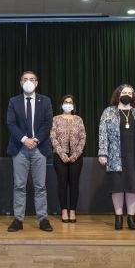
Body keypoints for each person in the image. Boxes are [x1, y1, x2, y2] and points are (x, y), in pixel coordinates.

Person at [98, 84, 135, 231]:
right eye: (124, 92)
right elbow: (102, 134)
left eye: (130, 93)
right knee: (117, 187)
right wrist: (102, 153)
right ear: (118, 94)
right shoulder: (109, 112)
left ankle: (131, 217)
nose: (127, 95)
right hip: (115, 156)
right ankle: (118, 217)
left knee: (132, 188)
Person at [6, 71, 54, 232]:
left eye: (31, 79)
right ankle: (18, 219)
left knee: (40, 186)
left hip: (39, 148)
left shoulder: (45, 100)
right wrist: (24, 139)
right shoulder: (14, 101)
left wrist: (36, 139)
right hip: (20, 148)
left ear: (36, 83)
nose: (28, 82)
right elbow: (11, 123)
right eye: (25, 79)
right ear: (21, 83)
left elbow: (48, 123)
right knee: (19, 185)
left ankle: (43, 219)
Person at [50, 95, 86, 223]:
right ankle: (64, 211)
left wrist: (75, 155)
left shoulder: (78, 119)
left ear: (74, 105)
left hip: (76, 157)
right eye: (66, 102)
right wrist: (62, 154)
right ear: (62, 104)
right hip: (60, 157)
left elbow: (83, 138)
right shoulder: (55, 119)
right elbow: (53, 137)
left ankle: (72, 212)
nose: (68, 104)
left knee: (74, 184)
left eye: (70, 102)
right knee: (62, 184)